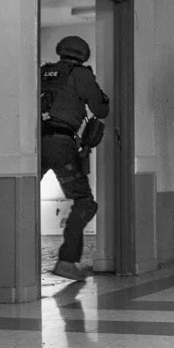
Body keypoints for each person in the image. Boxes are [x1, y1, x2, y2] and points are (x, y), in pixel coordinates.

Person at [39, 35, 109, 282]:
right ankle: (67, 262)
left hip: (36, 142)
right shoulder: (80, 74)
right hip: (61, 143)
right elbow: (101, 109)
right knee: (85, 202)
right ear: (84, 54)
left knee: (25, 198)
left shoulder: (44, 72)